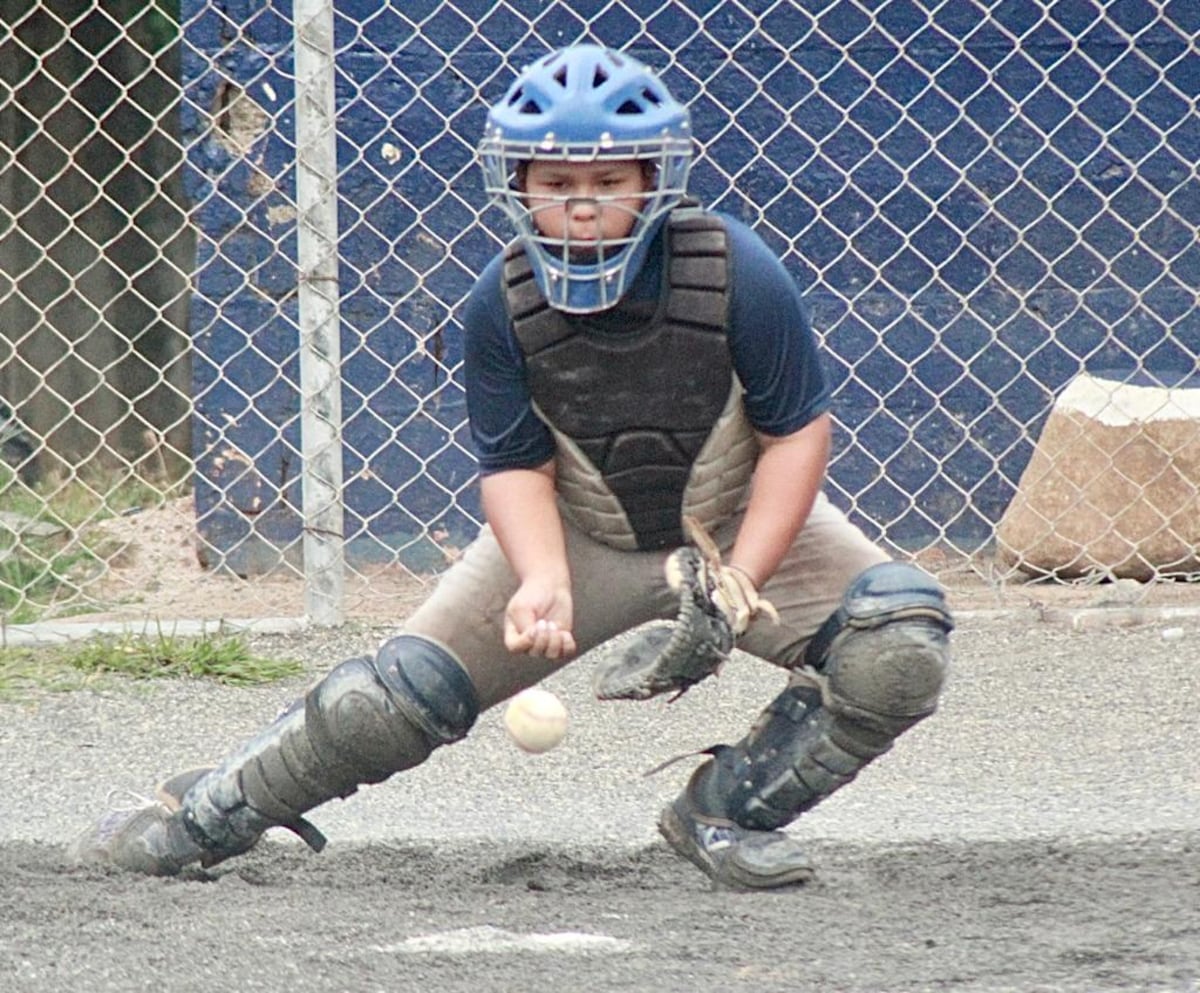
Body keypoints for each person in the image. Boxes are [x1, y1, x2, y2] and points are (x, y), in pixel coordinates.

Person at [70, 44, 953, 890]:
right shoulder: (500, 302)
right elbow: (515, 463)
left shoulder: (737, 270)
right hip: (576, 534)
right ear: (517, 185)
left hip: (731, 528)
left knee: (898, 643)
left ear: (655, 179)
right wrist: (540, 579)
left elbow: (797, 435)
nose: (581, 204)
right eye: (556, 182)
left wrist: (739, 582)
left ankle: (726, 813)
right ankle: (209, 812)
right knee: (386, 702)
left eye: (609, 181)